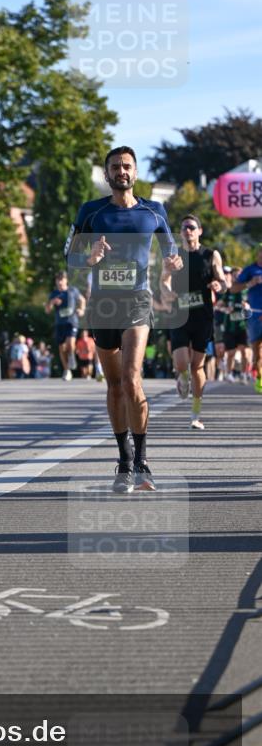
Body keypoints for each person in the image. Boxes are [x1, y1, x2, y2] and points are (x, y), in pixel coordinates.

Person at [65, 145, 182, 493]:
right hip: (102, 305)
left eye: (127, 166)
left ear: (135, 171)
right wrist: (90, 257)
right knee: (114, 385)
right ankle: (124, 460)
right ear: (107, 174)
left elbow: (171, 251)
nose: (122, 172)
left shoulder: (154, 211)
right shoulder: (91, 211)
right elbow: (69, 257)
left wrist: (173, 264)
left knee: (132, 378)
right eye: (115, 167)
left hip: (137, 302)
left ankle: (143, 461)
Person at [162, 215, 226, 430]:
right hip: (179, 314)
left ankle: (195, 414)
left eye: (191, 227)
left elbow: (223, 280)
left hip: (203, 316)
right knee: (181, 362)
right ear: (180, 233)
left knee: (198, 365)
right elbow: (164, 281)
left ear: (199, 231)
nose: (187, 231)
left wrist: (219, 285)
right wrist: (168, 292)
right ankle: (182, 376)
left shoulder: (210, 254)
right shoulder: (174, 256)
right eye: (184, 228)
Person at [230, 243, 262, 394]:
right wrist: (250, 283)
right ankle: (260, 378)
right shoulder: (250, 270)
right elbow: (233, 288)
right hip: (254, 314)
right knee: (257, 350)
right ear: (258, 254)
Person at [44, 271, 85, 380]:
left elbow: (82, 300)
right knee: (62, 348)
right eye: (58, 280)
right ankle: (67, 370)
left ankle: (72, 356)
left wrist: (81, 309)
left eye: (62, 279)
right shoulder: (53, 294)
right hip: (59, 323)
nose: (60, 282)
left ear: (66, 280)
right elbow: (47, 311)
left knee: (70, 344)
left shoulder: (73, 291)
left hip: (72, 322)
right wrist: (52, 303)